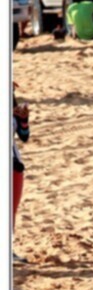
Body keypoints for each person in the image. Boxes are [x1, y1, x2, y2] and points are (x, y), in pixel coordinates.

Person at [12, 84, 30, 263]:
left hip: (14, 166)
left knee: (11, 209)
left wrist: (24, 119)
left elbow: (24, 136)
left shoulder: (13, 108)